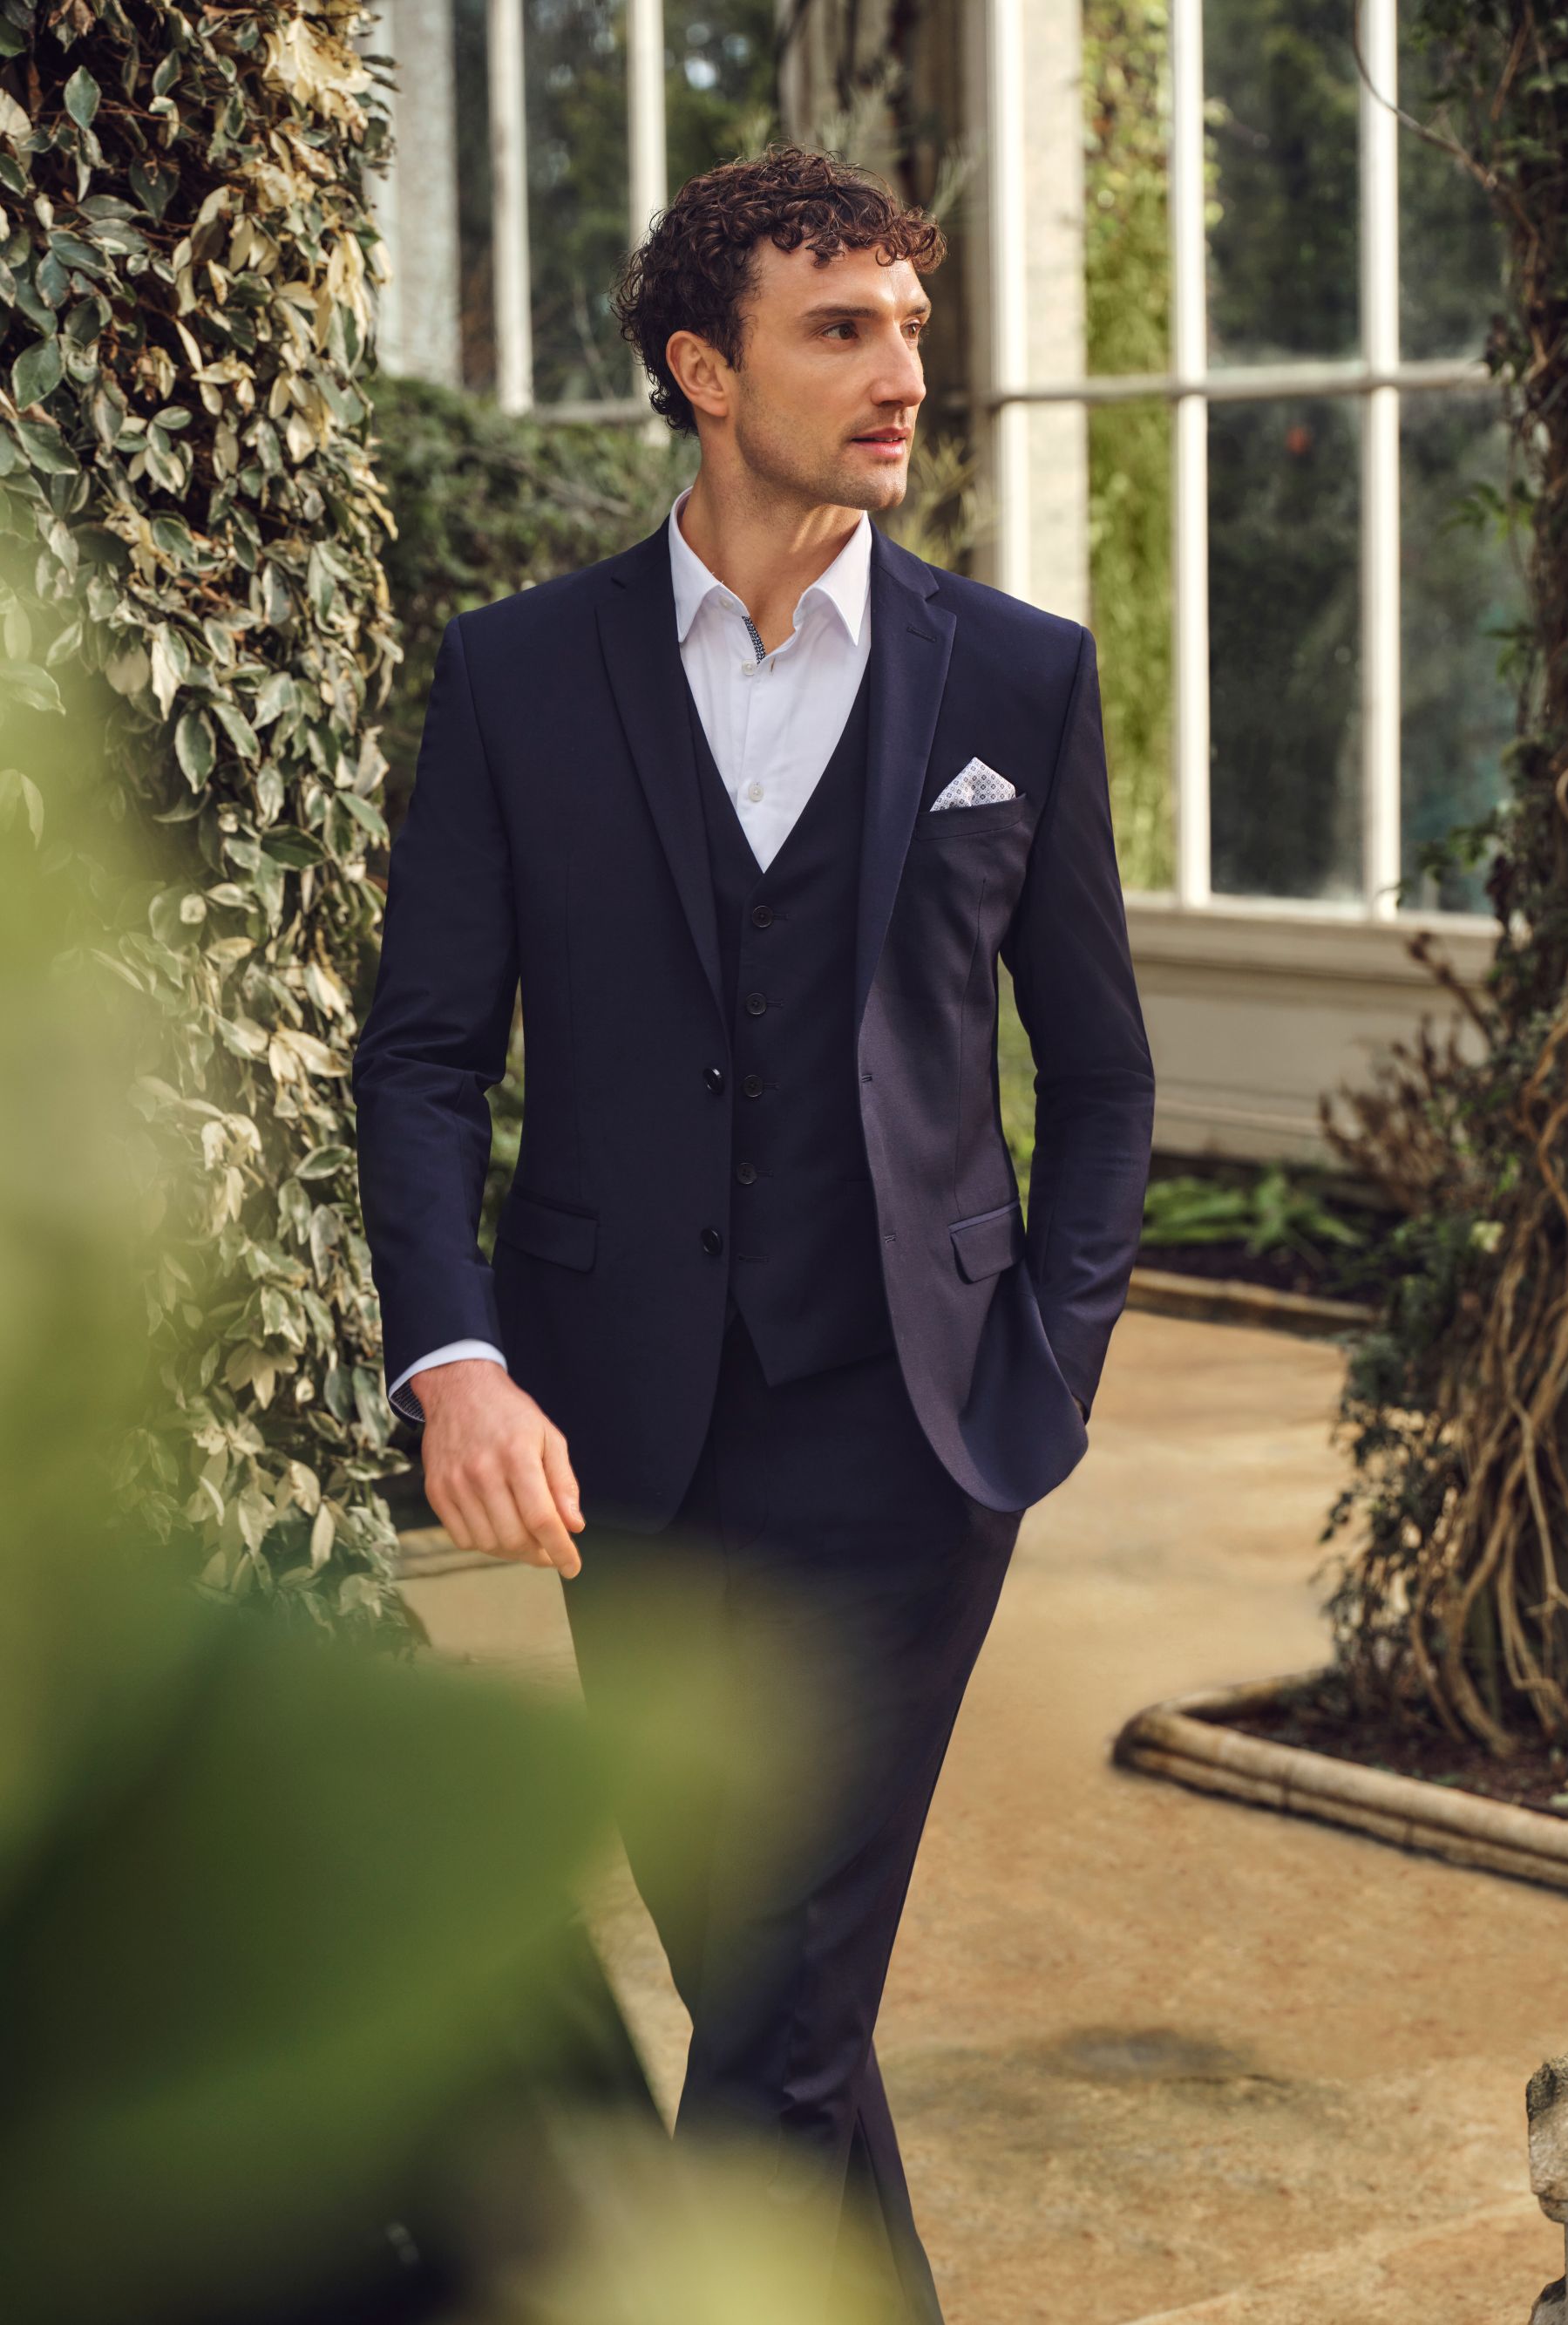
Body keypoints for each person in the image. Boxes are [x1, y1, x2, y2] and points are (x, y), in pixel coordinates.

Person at [351, 143, 1155, 2322]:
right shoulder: (523, 676)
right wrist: (461, 1357)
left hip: (919, 1432)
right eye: (842, 326)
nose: (904, 368)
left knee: (778, 2003)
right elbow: (423, 1053)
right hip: (632, 1435)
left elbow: (1098, 1073)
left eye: (910, 320)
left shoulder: (1015, 679)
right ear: (706, 369)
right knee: (761, 1980)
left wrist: (1046, 1363)